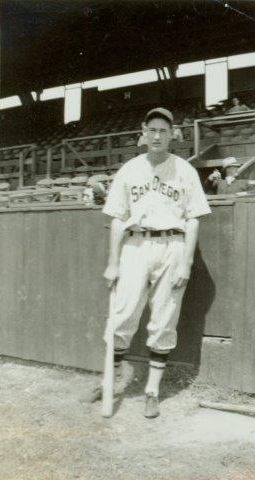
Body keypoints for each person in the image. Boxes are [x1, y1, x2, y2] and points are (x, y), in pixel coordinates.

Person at [88, 107, 211, 418]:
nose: (157, 135)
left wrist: (185, 263)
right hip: (135, 244)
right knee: (121, 315)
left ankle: (152, 391)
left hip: (173, 244)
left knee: (164, 318)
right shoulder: (129, 170)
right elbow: (116, 220)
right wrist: (113, 261)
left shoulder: (185, 170)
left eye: (164, 130)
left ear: (172, 135)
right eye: (152, 129)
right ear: (143, 132)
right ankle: (110, 381)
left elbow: (194, 220)